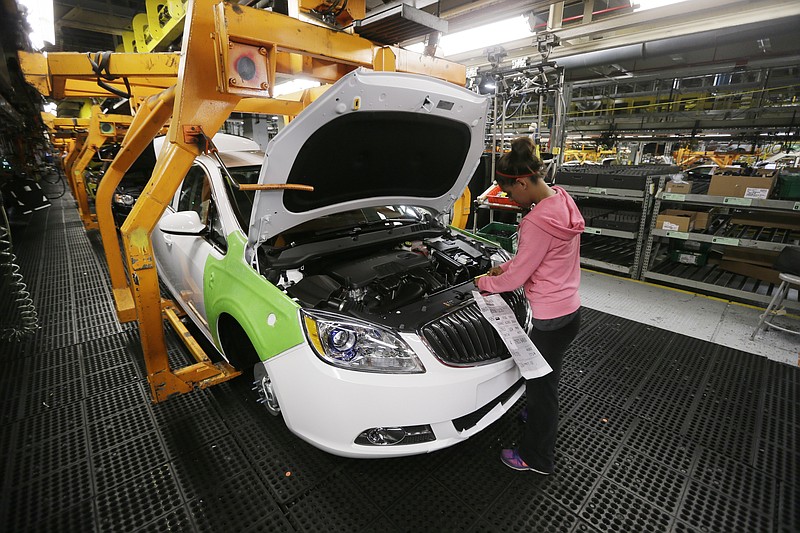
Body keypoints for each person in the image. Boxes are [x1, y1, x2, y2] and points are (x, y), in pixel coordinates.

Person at [476, 137, 584, 475]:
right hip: (571, 311)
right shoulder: (562, 202)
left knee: (542, 391)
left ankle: (536, 458)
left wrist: (482, 282)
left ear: (522, 181)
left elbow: (515, 279)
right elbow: (531, 260)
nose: (510, 199)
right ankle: (536, 412)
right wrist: (503, 266)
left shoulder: (536, 222)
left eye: (509, 193)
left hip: (548, 318)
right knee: (547, 378)